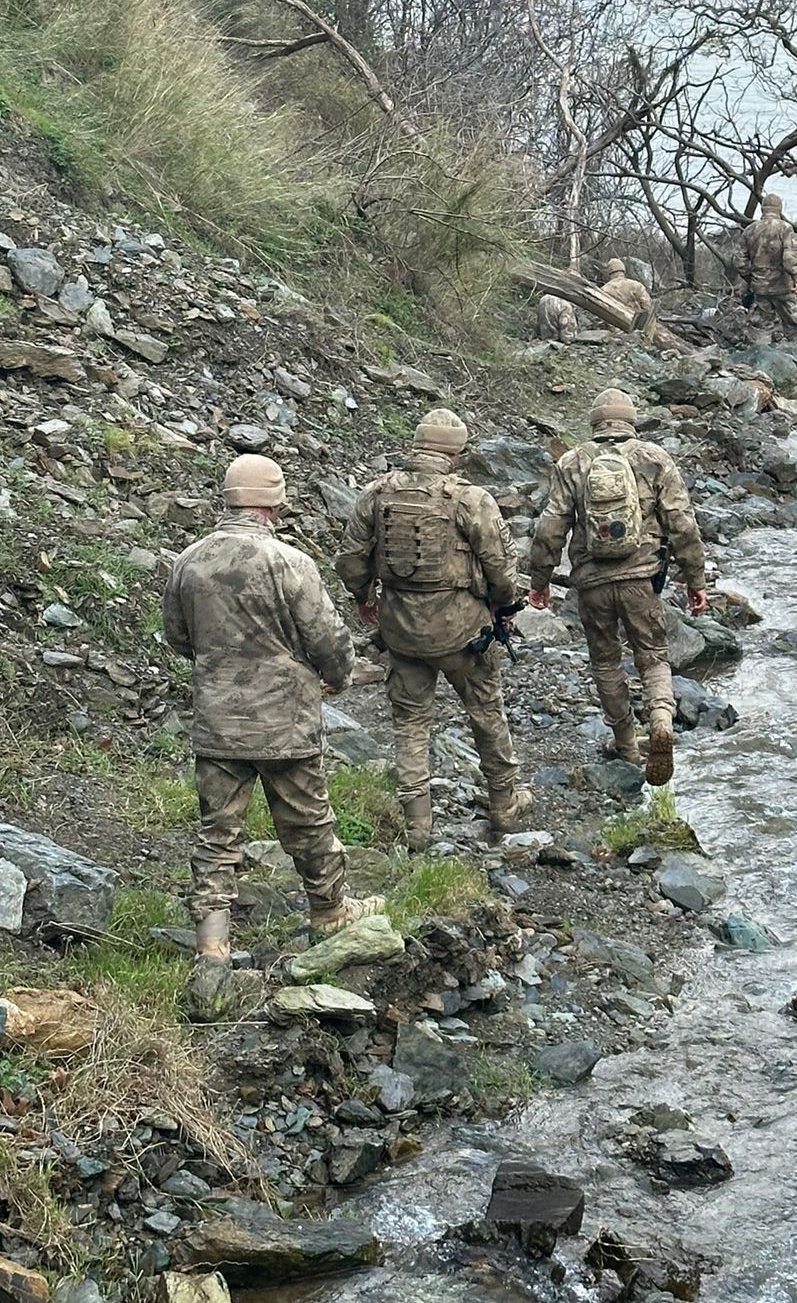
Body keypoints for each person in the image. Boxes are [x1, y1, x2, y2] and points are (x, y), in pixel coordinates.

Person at [164, 454, 384, 1021]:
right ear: (275, 502)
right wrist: (333, 679)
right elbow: (329, 640)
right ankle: (330, 913)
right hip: (285, 721)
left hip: (218, 722)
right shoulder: (290, 562)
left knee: (218, 835)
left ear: (228, 499)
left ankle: (212, 948)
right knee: (309, 823)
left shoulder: (189, 562)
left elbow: (178, 637)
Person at [336, 408, 529, 852]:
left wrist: (366, 598)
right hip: (463, 632)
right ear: (455, 453)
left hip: (401, 631)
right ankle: (503, 802)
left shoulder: (377, 493)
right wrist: (503, 607)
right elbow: (500, 567)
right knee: (485, 711)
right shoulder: (469, 498)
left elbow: (349, 560)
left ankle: (418, 826)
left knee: (410, 722)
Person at [527, 387, 707, 787]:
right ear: (631, 420)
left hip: (592, 583)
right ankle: (661, 719)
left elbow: (550, 527)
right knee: (653, 657)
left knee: (606, 662)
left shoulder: (572, 462)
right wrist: (696, 580)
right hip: (641, 579)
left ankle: (626, 743)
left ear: (595, 423)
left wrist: (539, 582)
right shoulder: (654, 458)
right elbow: (682, 523)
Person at [738, 194, 797, 326]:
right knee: (794, 321)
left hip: (760, 287)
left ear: (763, 209)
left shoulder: (749, 230)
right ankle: (792, 344)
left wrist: (751, 280)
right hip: (783, 286)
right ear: (779, 209)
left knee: (763, 323)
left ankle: (764, 344)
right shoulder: (786, 228)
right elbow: (789, 258)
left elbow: (740, 262)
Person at [601, 258, 655, 334]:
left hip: (615, 331)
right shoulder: (636, 285)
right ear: (623, 270)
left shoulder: (604, 290)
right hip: (637, 329)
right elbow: (647, 307)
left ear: (609, 271)